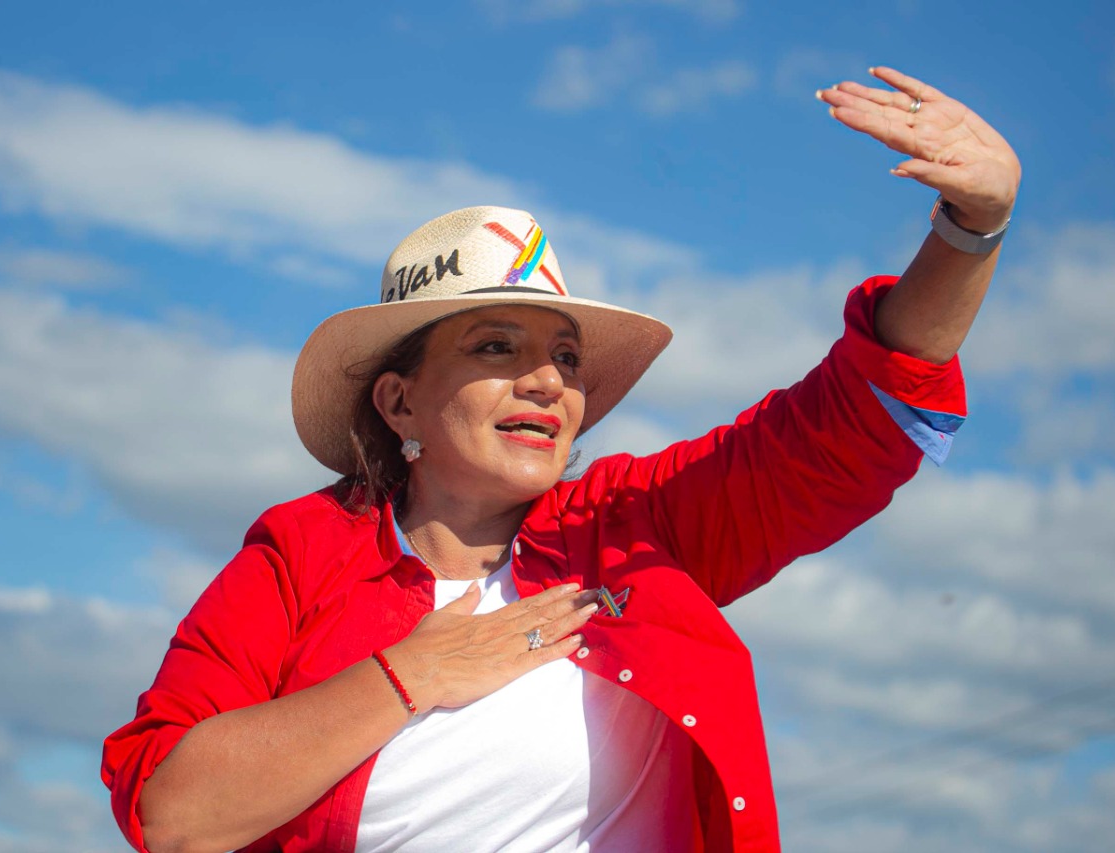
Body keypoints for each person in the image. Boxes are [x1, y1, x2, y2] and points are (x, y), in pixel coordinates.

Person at [102, 67, 1020, 852]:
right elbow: (171, 813)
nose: (548, 380)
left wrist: (969, 228)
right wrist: (410, 674)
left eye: (567, 358)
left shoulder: (632, 528)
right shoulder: (302, 550)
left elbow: (846, 423)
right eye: (497, 347)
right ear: (399, 402)